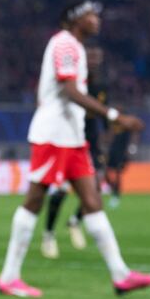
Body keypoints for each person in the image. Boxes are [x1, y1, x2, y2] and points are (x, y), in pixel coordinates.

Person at [0, 1, 150, 298]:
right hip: (54, 135)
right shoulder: (65, 44)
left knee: (92, 200)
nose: (97, 19)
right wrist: (114, 116)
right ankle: (9, 277)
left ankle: (121, 274)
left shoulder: (76, 47)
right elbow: (70, 91)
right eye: (91, 14)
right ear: (74, 18)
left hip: (71, 136)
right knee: (35, 199)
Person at [41, 46, 107, 257]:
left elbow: (100, 115)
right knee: (60, 189)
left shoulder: (101, 85)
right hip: (67, 138)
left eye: (98, 56)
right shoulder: (73, 81)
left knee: (96, 188)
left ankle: (74, 221)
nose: (95, 60)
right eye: (92, 56)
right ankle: (49, 234)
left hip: (91, 141)